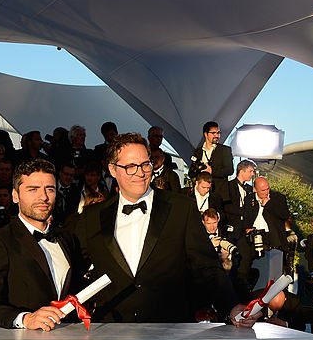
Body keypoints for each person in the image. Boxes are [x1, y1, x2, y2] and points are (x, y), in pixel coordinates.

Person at [76, 133, 251, 325]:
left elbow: (206, 267)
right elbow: (71, 270)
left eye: (145, 164)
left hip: (170, 331)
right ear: (112, 169)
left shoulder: (181, 208)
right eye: (131, 166)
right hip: (112, 334)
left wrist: (231, 306)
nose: (140, 173)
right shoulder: (92, 217)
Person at [0, 158, 85, 330]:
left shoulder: (67, 238)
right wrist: (25, 319)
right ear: (15, 195)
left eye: (50, 189)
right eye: (33, 189)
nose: (43, 197)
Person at [190, 121, 234, 192]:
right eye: (213, 133)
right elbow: (191, 173)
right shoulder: (198, 151)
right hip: (201, 192)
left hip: (219, 192)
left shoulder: (225, 150)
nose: (217, 135)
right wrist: (199, 171)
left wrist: (212, 171)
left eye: (218, 133)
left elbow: (229, 170)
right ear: (205, 134)